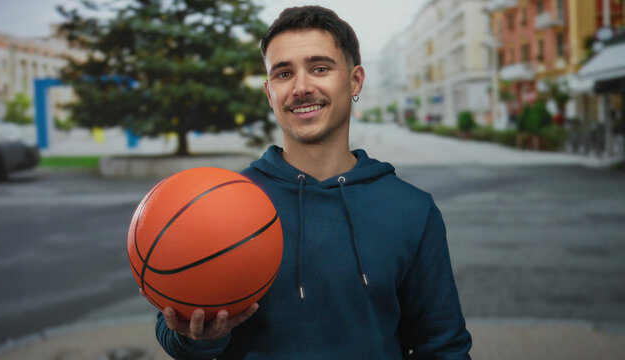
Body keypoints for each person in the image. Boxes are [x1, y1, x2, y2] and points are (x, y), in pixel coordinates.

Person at [148, 5, 472, 359]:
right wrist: (201, 337)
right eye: (284, 74)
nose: (301, 88)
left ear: (354, 80)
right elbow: (174, 331)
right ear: (269, 91)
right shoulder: (223, 204)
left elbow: (443, 346)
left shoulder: (411, 209)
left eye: (319, 68)